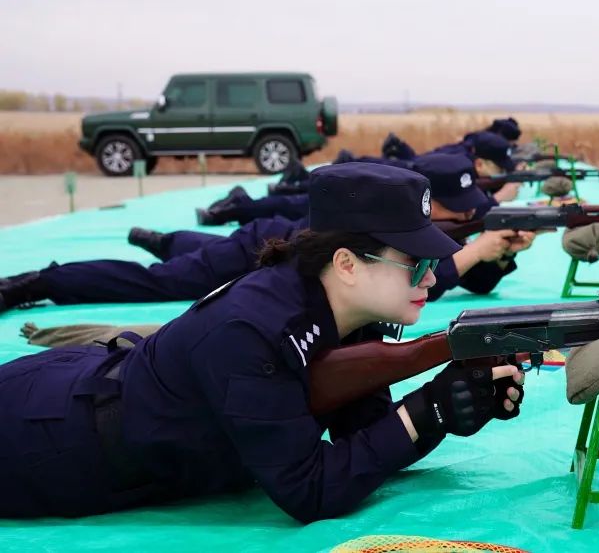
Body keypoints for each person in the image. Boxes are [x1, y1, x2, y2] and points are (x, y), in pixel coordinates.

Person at [0, 162, 526, 521]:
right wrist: (426, 411)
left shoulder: (343, 308)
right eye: (417, 265)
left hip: (92, 394)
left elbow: (365, 436)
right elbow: (310, 488)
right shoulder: (253, 331)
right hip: (45, 439)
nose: (433, 280)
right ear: (346, 264)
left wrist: (452, 403)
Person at [0, 155, 532, 310]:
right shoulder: (370, 218)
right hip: (264, 249)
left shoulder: (408, 220)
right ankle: (42, 281)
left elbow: (466, 281)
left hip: (268, 245)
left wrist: (500, 255)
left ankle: (169, 241)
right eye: (453, 208)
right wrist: (479, 247)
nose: (464, 215)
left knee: (186, 260)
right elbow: (431, 281)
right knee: (159, 282)